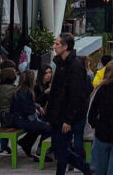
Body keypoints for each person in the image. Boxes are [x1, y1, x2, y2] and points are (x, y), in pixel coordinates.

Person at [46, 33, 93, 175]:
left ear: (65, 47)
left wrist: (69, 119)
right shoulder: (60, 63)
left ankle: (85, 169)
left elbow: (76, 95)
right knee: (59, 148)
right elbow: (56, 92)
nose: (54, 47)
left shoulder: (75, 66)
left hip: (68, 116)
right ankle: (85, 169)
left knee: (61, 148)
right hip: (58, 115)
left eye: (57, 44)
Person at [8, 70, 52, 160]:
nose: (35, 80)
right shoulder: (26, 92)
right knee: (48, 128)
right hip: (21, 120)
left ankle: (25, 143)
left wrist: (35, 108)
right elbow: (28, 110)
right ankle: (40, 152)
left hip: (17, 119)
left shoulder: (20, 90)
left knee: (40, 126)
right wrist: (35, 111)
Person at [0, 67, 18, 154]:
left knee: (4, 128)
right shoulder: (11, 89)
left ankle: (3, 147)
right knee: (13, 129)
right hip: (9, 115)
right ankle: (8, 147)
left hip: (3, 114)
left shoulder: (2, 88)